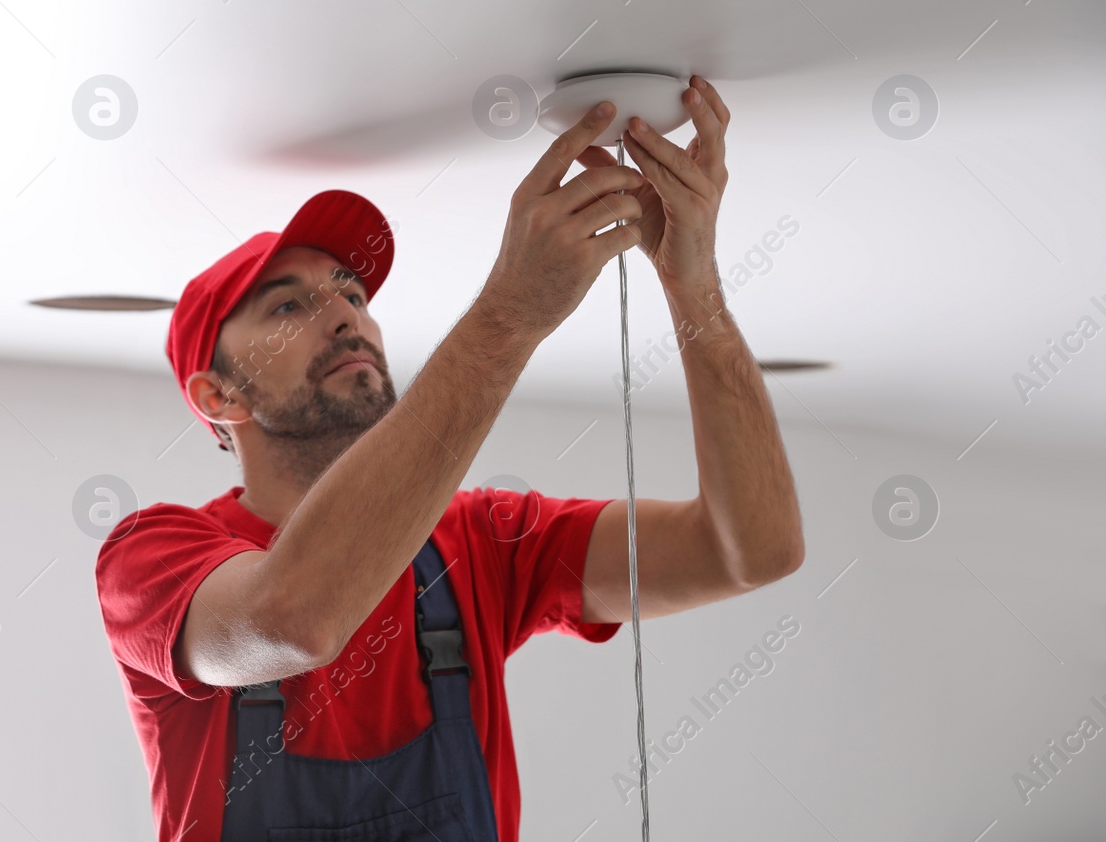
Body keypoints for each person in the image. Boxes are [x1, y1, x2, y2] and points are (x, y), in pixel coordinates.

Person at [94, 76, 804, 842]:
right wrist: (507, 316)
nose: (342, 314)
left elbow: (749, 551)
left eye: (351, 292)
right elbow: (293, 619)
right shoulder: (151, 557)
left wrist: (692, 284)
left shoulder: (483, 540)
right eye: (289, 305)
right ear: (220, 395)